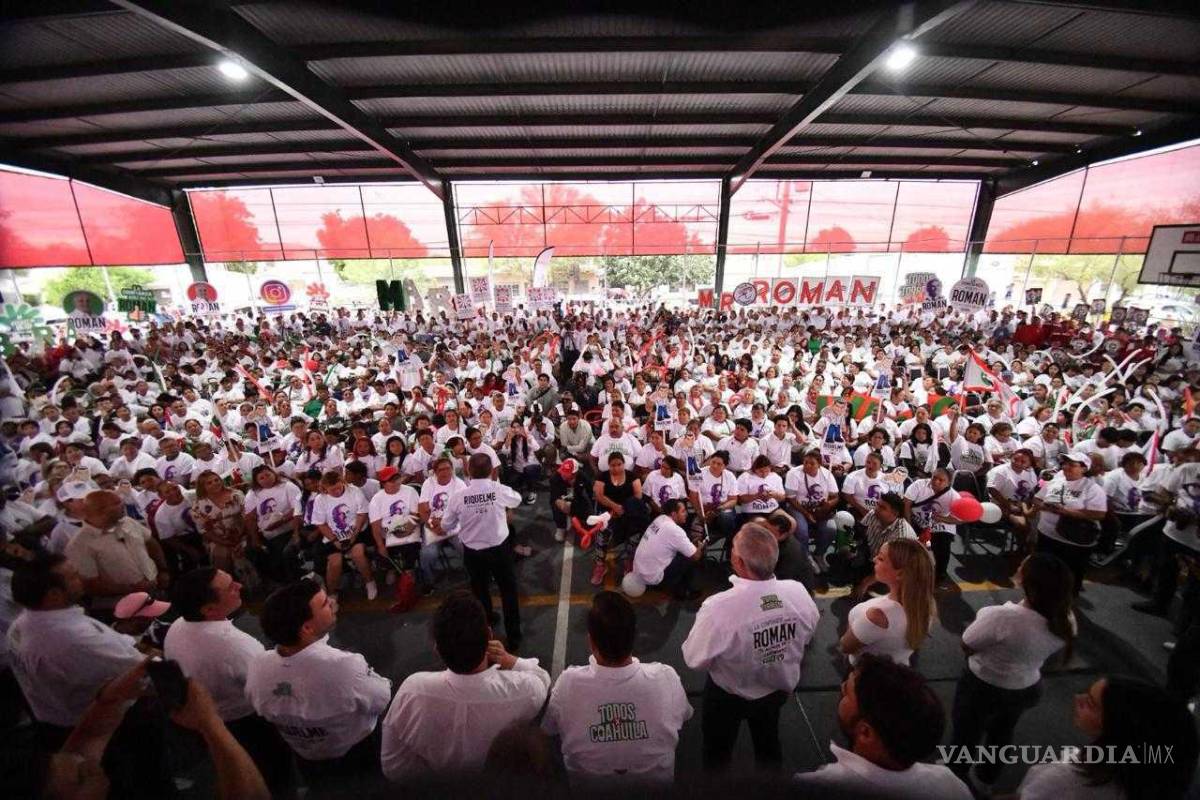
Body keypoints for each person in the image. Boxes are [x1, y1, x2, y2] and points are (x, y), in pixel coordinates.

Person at [681, 523, 819, 770]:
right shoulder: (797, 592)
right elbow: (808, 634)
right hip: (775, 690)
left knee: (717, 754)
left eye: (733, 548)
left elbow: (694, 659)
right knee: (768, 747)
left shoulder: (718, 607)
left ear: (739, 562)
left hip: (727, 696)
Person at [380, 591, 549, 780]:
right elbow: (542, 679)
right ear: (489, 636)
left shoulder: (413, 691)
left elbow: (392, 764)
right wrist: (509, 660)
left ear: (437, 649)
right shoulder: (522, 690)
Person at [245, 578, 391, 791]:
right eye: (324, 604)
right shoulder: (342, 665)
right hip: (355, 753)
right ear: (306, 627)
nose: (331, 604)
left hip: (306, 756)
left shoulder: (258, 665)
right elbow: (380, 699)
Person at [949, 553, 1075, 793]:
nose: (1017, 567)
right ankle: (986, 780)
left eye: (1022, 567)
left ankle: (956, 778)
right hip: (1026, 686)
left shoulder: (1002, 616)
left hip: (983, 685)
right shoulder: (1066, 618)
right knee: (1002, 731)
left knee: (966, 732)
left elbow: (967, 644)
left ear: (1030, 584)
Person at [164, 566, 295, 797]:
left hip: (213, 717)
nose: (240, 586)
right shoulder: (233, 645)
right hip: (246, 721)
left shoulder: (177, 626)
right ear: (209, 609)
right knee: (273, 771)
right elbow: (269, 685)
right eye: (230, 587)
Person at [543, 591, 692, 786]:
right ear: (633, 637)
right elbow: (685, 715)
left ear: (591, 641)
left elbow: (548, 729)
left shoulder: (568, 683)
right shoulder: (666, 677)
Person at [794, 654, 971, 799]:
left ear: (865, 732)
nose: (841, 689)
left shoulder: (812, 788)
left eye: (846, 692)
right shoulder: (950, 785)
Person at [1017, 676, 1198, 800]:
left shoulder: (1065, 778)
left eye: (1090, 703)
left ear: (1119, 728)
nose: (1077, 698)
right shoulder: (1162, 779)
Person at [441, 453, 524, 650]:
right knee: (508, 592)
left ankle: (486, 627)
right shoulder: (498, 490)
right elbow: (517, 500)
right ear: (490, 471)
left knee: (480, 591)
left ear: (468, 471)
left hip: (472, 552)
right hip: (499, 550)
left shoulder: (458, 497)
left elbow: (446, 524)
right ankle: (514, 637)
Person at [65, 489, 169, 613]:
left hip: (154, 592)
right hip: (120, 606)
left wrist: (163, 570)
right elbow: (90, 584)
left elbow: (151, 542)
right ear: (102, 511)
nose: (123, 504)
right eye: (117, 503)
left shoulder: (128, 522)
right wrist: (132, 589)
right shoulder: (79, 544)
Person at [841, 538, 934, 666]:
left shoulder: (878, 616)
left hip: (865, 675)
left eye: (880, 558)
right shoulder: (923, 605)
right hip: (897, 668)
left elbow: (846, 647)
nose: (874, 560)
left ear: (900, 574)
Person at [1033, 451, 1107, 593]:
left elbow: (1099, 514)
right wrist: (1043, 506)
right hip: (1047, 535)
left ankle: (1066, 605)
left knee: (1069, 577)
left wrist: (1065, 512)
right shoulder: (1055, 482)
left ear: (1084, 468)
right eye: (1065, 464)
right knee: (1044, 572)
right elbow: (1037, 498)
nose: (1066, 467)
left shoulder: (1092, 489)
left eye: (1072, 465)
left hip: (1073, 541)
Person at [629, 499, 704, 599]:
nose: (686, 514)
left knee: (683, 548)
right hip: (653, 578)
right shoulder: (674, 530)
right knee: (688, 557)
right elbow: (696, 556)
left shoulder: (659, 519)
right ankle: (683, 592)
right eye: (683, 511)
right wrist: (700, 547)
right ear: (673, 514)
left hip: (640, 572)